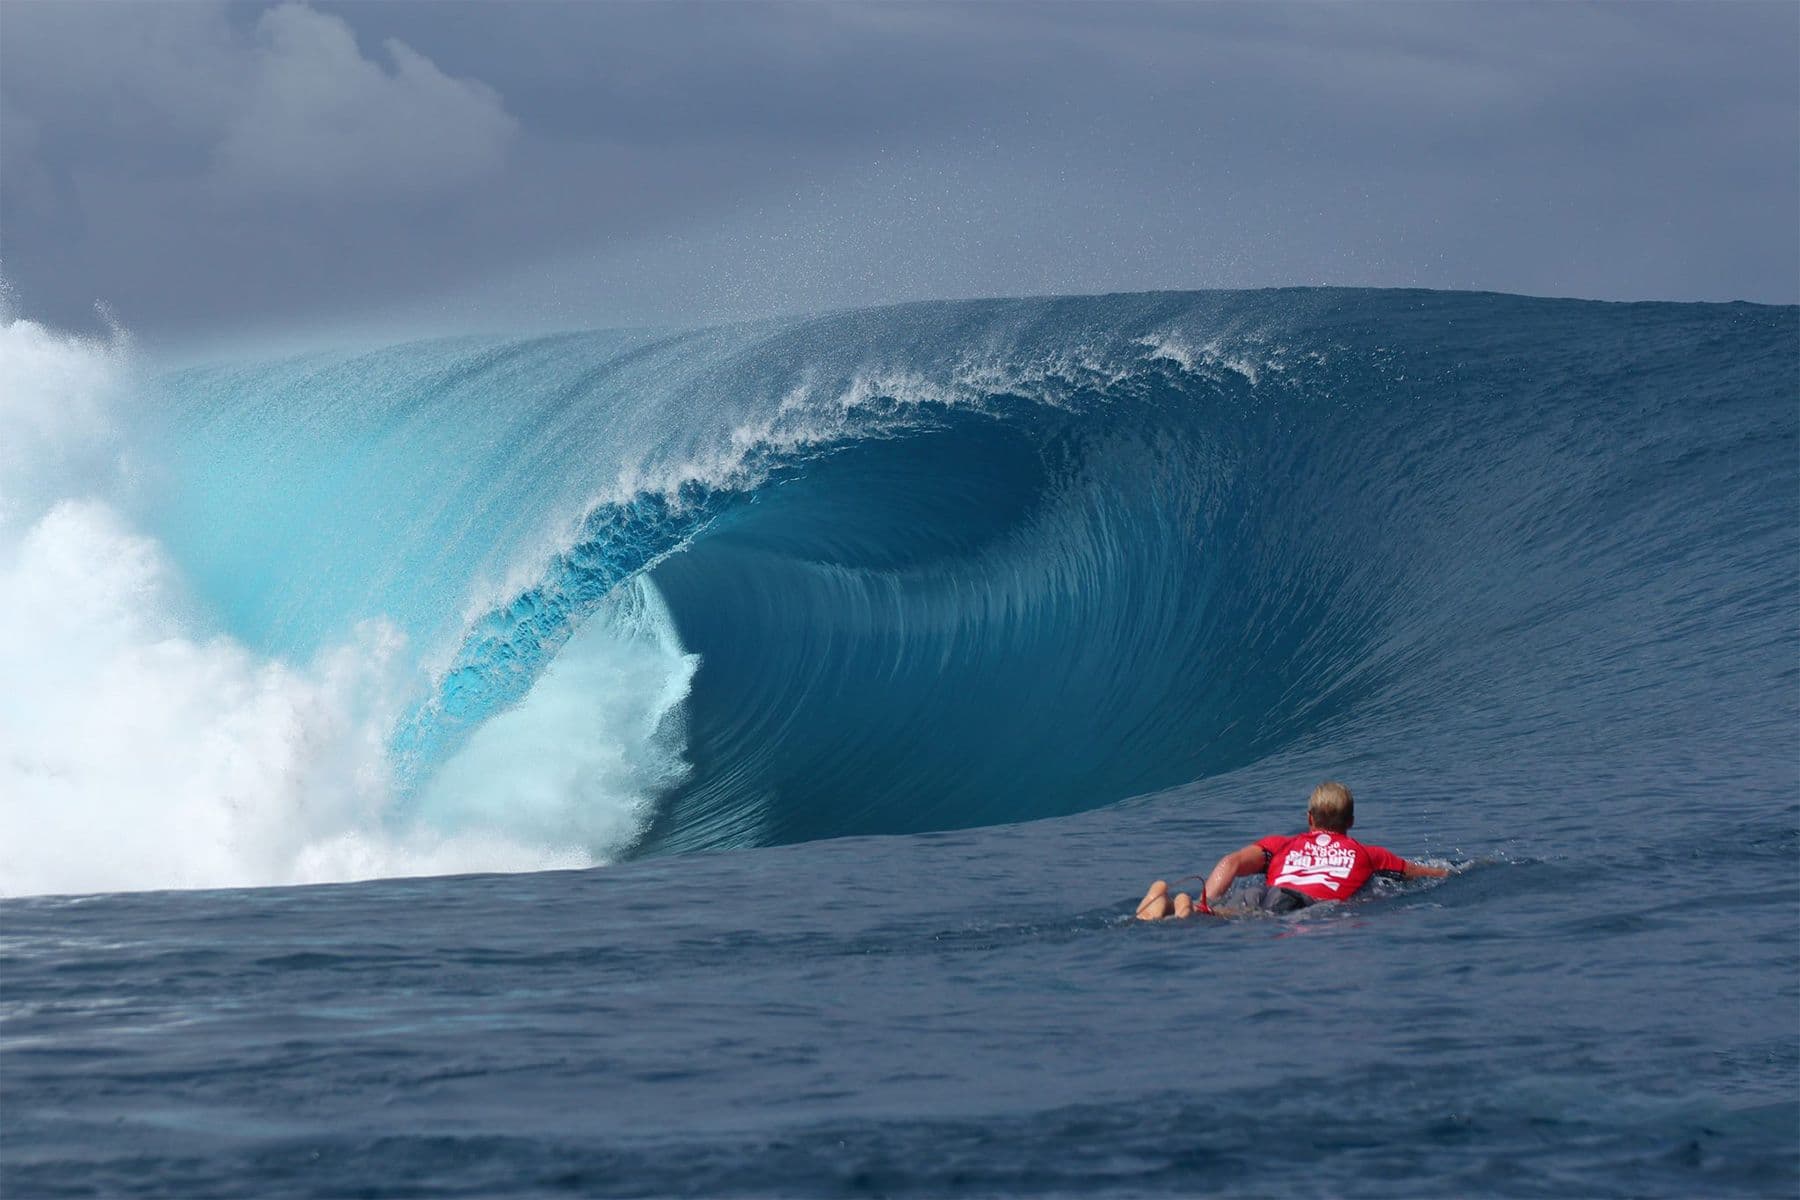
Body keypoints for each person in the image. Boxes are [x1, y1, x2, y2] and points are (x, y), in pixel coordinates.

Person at [1137, 781, 1449, 919]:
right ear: (1351, 821)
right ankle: (1192, 911)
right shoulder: (1368, 854)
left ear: (1309, 819)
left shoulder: (1281, 845)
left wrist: (1213, 896)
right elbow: (1423, 873)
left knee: (1223, 908)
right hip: (1299, 904)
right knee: (1232, 918)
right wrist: (1461, 871)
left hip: (1266, 890)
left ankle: (1170, 903)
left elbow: (1230, 862)